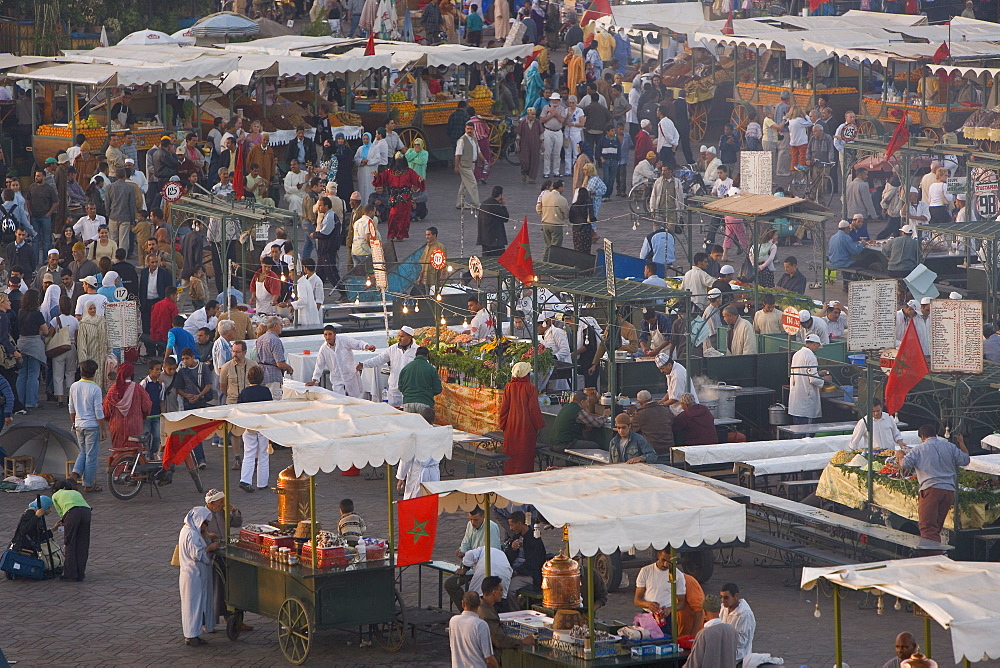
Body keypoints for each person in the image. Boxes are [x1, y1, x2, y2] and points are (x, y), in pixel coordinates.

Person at [895, 424, 970, 547]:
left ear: (922, 437)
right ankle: (935, 554)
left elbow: (905, 464)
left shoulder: (919, 449)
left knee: (928, 528)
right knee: (936, 527)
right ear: (935, 433)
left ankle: (931, 558)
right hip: (948, 492)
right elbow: (966, 459)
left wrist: (900, 456)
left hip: (931, 491)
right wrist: (961, 443)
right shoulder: (950, 446)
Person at [178, 506, 220, 646]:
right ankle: (191, 635)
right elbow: (198, 554)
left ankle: (195, 632)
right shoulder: (191, 534)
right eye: (204, 523)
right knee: (193, 607)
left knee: (196, 605)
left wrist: (207, 536)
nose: (205, 526)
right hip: (193, 576)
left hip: (195, 575)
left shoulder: (191, 531)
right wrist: (210, 548)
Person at [499, 362, 545, 474]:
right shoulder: (530, 388)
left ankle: (510, 475)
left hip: (511, 424)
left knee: (511, 452)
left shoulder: (509, 387)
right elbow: (534, 409)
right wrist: (539, 425)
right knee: (525, 454)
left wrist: (502, 424)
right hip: (526, 426)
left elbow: (504, 408)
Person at [68, 359, 106, 493]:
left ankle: (74, 474)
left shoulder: (74, 386)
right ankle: (88, 484)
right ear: (94, 373)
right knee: (91, 456)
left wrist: (74, 423)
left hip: (79, 424)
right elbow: (98, 412)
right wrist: (103, 429)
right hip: (92, 426)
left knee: (83, 452)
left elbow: (71, 409)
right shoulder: (95, 389)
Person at [307, 324, 376, 397]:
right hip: (337, 379)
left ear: (334, 334)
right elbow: (319, 365)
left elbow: (357, 343)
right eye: (325, 335)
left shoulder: (344, 341)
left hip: (351, 376)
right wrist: (314, 380)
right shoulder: (323, 349)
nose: (328, 337)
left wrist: (367, 347)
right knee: (340, 401)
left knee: (356, 400)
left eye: (330, 334)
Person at [236, 365, 273, 493]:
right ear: (262, 378)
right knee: (263, 454)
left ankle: (245, 480)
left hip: (248, 425)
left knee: (249, 453)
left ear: (248, 378)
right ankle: (262, 483)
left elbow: (239, 408)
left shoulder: (244, 392)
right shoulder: (266, 391)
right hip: (262, 425)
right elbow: (270, 408)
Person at [360, 326, 416, 407]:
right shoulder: (393, 349)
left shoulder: (417, 350)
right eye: (399, 336)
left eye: (402, 336)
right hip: (394, 389)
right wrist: (364, 364)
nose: (399, 339)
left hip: (410, 390)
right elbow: (379, 359)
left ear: (409, 337)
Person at [102, 362, 151, 453]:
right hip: (135, 425)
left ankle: (119, 466)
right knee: (134, 450)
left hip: (117, 426)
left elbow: (106, 411)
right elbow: (146, 407)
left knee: (118, 450)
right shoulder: (138, 388)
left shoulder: (113, 390)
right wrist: (143, 415)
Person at [479, 575, 535, 654]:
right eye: (501, 590)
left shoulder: (479, 605)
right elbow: (499, 640)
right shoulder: (487, 614)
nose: (503, 593)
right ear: (494, 593)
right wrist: (522, 641)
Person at [634, 549, 687, 630]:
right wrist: (649, 605)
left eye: (669, 562)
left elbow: (681, 603)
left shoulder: (678, 575)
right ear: (658, 555)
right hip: (648, 616)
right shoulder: (645, 571)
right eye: (663, 560)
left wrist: (669, 609)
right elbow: (637, 600)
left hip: (667, 618)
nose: (665, 564)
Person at [51, 479, 92, 581]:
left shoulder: (55, 495)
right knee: (82, 544)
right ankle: (80, 573)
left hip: (72, 513)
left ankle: (70, 574)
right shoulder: (75, 492)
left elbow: (61, 512)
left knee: (70, 543)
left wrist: (63, 522)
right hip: (87, 512)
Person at [447, 547, 513, 610]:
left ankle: (468, 612)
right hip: (504, 574)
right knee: (499, 601)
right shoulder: (500, 554)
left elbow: (470, 555)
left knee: (473, 599)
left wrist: (464, 570)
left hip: (484, 573)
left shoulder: (480, 550)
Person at [685, 594, 737, 668]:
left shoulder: (703, 634)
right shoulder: (731, 630)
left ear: (705, 613)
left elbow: (694, 663)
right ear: (719, 611)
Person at [788, 334, 830, 425]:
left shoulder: (797, 354)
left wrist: (818, 373)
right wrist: (824, 379)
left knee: (797, 432)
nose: (817, 348)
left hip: (796, 403)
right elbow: (813, 380)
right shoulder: (811, 356)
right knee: (807, 434)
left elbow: (804, 373)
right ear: (814, 344)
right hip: (806, 403)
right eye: (818, 346)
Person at [449, 591, 498, 668]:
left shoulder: (453, 621)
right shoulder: (481, 625)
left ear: (463, 604)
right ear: (479, 605)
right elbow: (489, 658)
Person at [504, 510, 546, 599]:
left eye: (512, 525)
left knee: (509, 589)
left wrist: (516, 572)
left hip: (529, 575)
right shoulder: (516, 537)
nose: (510, 528)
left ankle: (515, 611)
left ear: (519, 523)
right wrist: (513, 549)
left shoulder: (534, 538)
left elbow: (534, 563)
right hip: (514, 571)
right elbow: (508, 557)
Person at [255, 316, 292, 400]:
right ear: (275, 326)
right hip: (273, 376)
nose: (282, 327)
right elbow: (280, 363)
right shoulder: (275, 340)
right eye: (281, 325)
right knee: (275, 402)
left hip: (261, 375)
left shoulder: (260, 339)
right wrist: (289, 368)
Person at [720, 582, 756, 665]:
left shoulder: (745, 614)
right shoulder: (724, 607)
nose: (722, 600)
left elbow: (742, 641)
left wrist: (722, 634)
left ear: (735, 596)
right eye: (721, 597)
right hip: (725, 651)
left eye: (726, 598)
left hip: (739, 656)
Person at [76, 303, 110, 392]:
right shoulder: (84, 324)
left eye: (94, 308)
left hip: (102, 356)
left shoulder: (102, 321)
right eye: (90, 309)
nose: (93, 310)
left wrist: (109, 351)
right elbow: (81, 343)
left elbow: (107, 337)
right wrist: (83, 361)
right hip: (91, 356)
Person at [630, 389, 674, 455]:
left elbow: (632, 431)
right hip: (669, 447)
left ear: (640, 403)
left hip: (652, 449)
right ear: (651, 398)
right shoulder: (665, 409)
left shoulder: (640, 414)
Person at [455, 122, 482, 209]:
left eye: (471, 129)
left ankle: (459, 203)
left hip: (472, 164)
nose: (469, 130)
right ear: (465, 129)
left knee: (464, 185)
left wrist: (484, 160)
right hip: (464, 165)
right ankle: (476, 204)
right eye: (467, 129)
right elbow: (457, 154)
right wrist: (456, 166)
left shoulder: (474, 139)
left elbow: (478, 151)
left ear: (474, 129)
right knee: (473, 183)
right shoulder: (462, 140)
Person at [477, 186, 509, 256]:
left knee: (486, 260)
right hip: (495, 240)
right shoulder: (495, 205)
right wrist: (503, 205)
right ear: (500, 195)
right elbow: (506, 218)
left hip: (484, 238)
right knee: (500, 260)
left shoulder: (484, 203)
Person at [517, 108, 543, 183]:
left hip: (535, 144)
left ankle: (532, 177)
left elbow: (541, 133)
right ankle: (524, 172)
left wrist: (542, 144)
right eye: (532, 114)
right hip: (525, 144)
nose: (533, 116)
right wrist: (518, 145)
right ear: (528, 114)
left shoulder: (537, 122)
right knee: (525, 161)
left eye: (534, 114)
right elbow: (518, 134)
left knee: (534, 161)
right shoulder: (522, 123)